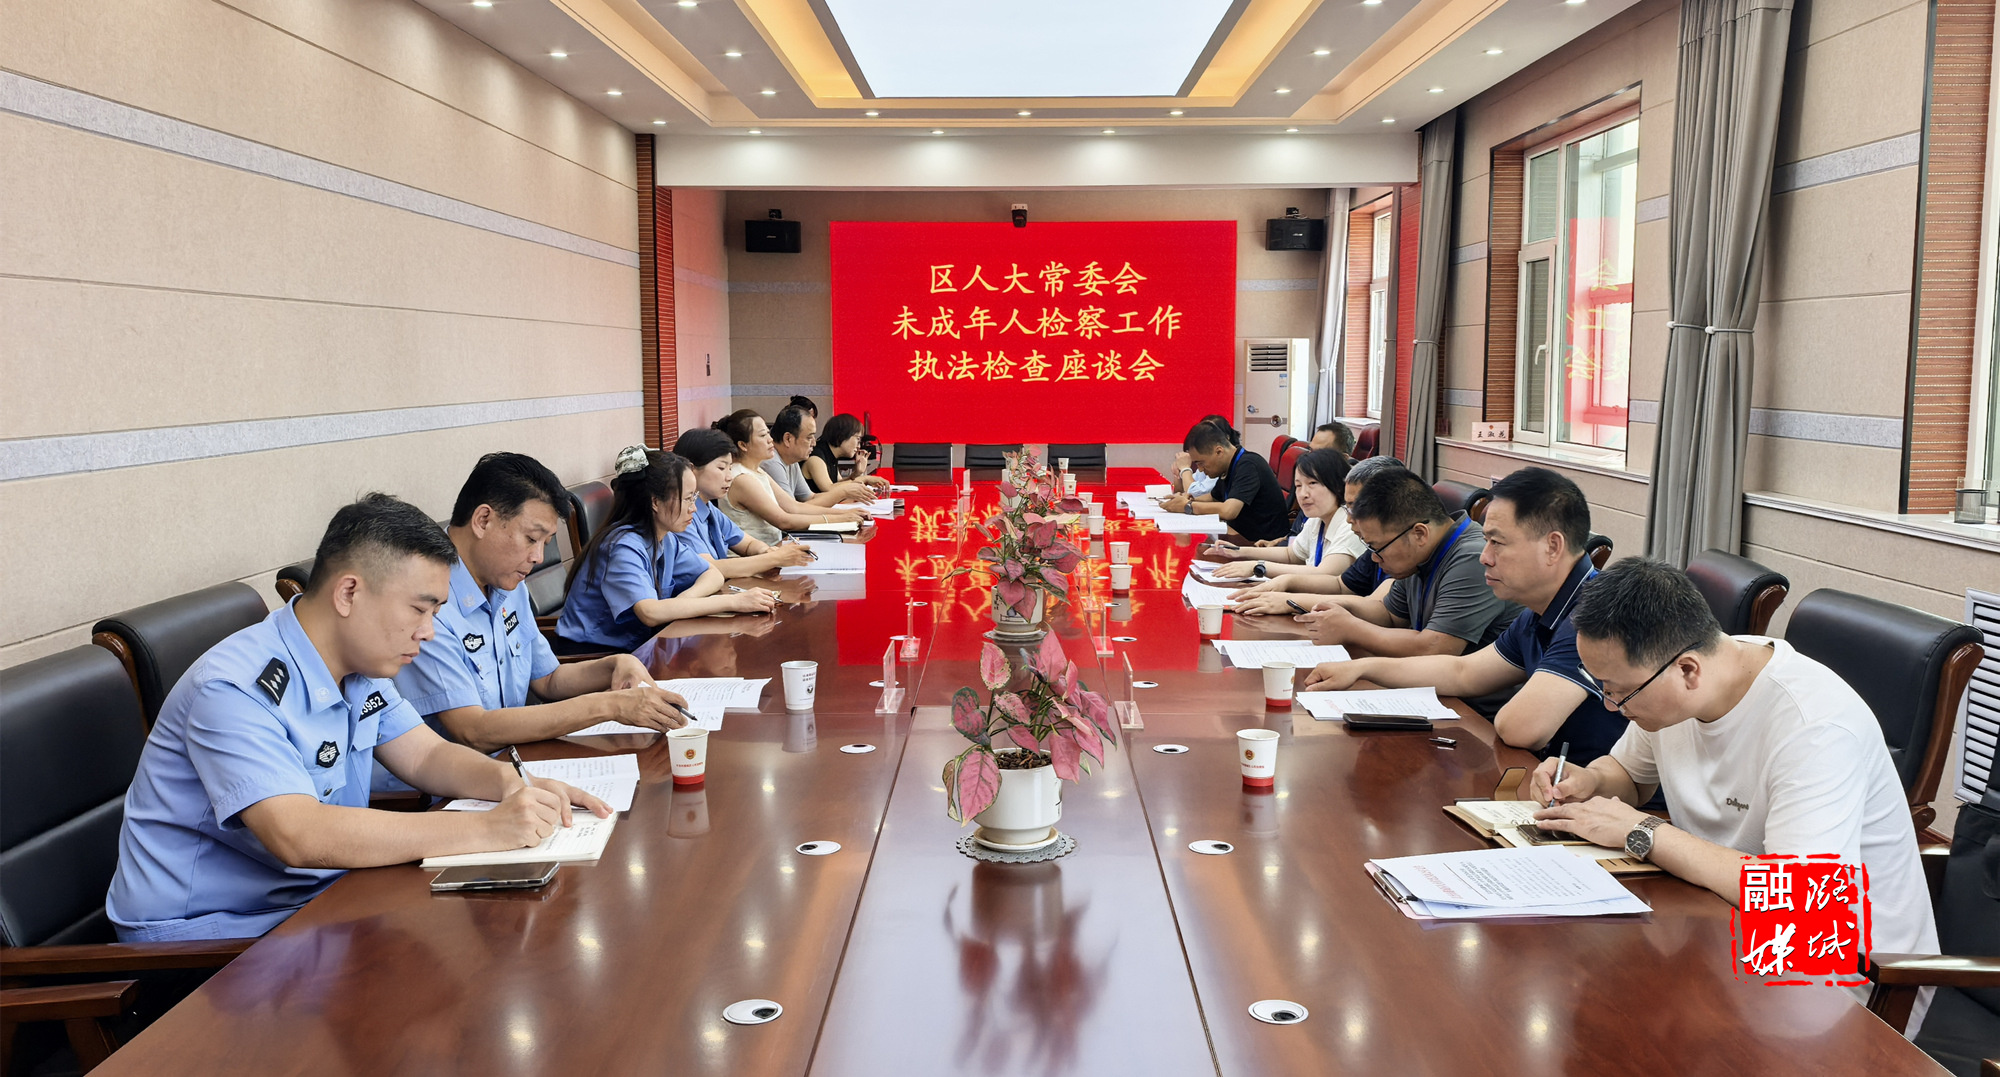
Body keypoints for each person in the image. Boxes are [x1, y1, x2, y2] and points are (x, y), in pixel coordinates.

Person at [107, 493, 610, 941]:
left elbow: (427, 755)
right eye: (419, 610)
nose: (429, 632)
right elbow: (299, 835)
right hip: (212, 938)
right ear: (349, 593)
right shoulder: (234, 688)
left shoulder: (359, 667)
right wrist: (488, 830)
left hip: (323, 901)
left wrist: (515, 785)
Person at [1528, 558, 1938, 1031]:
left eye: (1619, 692)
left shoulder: (1813, 725)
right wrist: (1592, 780)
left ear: (1687, 671)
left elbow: (1801, 900)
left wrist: (1644, 832)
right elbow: (1632, 775)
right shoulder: (1678, 679)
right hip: (1722, 923)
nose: (1610, 704)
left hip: (1842, 974)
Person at [1300, 467, 1625, 761]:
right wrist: (1361, 668)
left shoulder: (1595, 615)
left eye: (1497, 543)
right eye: (1486, 541)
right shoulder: (1538, 612)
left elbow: (1521, 729)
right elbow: (1462, 671)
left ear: (1552, 547)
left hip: (1595, 795)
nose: (1485, 557)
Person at [395, 453, 689, 752]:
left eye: (545, 544)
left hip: (520, 755)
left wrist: (617, 664)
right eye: (531, 538)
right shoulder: (427, 602)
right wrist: (609, 705)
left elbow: (548, 679)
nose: (537, 558)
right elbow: (473, 730)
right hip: (464, 775)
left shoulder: (508, 583)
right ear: (483, 520)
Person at [1276, 468, 1521, 657]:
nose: (1374, 557)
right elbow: (1389, 614)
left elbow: (1434, 648)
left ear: (1419, 534)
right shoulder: (1420, 555)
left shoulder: (1473, 557)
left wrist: (1351, 629)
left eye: (1376, 547)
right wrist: (1323, 607)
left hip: (1470, 703)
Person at [557, 446, 777, 651]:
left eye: (694, 498)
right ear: (655, 502)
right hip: (594, 653)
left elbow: (713, 574)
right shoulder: (622, 546)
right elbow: (650, 612)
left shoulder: (665, 538)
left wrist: (681, 603)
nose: (693, 508)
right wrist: (734, 601)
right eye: (688, 499)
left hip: (643, 645)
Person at [1200, 449, 1365, 583]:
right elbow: (1291, 555)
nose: (1303, 494)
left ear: (1338, 485)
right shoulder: (1317, 519)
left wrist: (1257, 566)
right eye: (1298, 486)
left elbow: (1325, 574)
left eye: (1312, 483)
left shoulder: (1350, 524)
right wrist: (1238, 551)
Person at [672, 427, 817, 577]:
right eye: (721, 468)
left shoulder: (709, 509)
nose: (729, 477)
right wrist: (775, 558)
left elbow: (747, 544)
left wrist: (767, 551)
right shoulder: (681, 515)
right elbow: (710, 568)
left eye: (730, 468)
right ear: (691, 469)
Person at [714, 410, 866, 545]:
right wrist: (840, 519)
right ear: (743, 445)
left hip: (773, 549)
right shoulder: (742, 478)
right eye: (762, 435)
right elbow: (784, 520)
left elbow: (794, 507)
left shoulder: (757, 470)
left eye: (768, 433)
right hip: (755, 558)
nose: (770, 439)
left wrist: (846, 514)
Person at [1161, 419, 1290, 543]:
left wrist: (1187, 506)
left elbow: (1229, 511)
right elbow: (1213, 497)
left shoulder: (1248, 465)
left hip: (1263, 545)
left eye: (1201, 463)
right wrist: (1187, 498)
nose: (1200, 469)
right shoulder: (1229, 465)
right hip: (1239, 537)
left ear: (1219, 452)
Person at [764, 405, 874, 507]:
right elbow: (792, 509)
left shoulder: (791, 460)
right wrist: (846, 492)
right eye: (809, 437)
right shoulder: (772, 462)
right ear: (788, 439)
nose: (814, 443)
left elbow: (810, 497)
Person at [806, 412, 889, 495]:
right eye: (858, 439)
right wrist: (864, 479)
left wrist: (856, 474)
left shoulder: (830, 454)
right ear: (842, 435)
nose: (859, 446)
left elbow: (838, 484)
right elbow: (829, 489)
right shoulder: (816, 457)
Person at [1169, 414, 1237, 497]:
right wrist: (1178, 472)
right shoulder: (1206, 462)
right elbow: (1182, 491)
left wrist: (1185, 468)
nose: (1200, 469)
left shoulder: (1228, 463)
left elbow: (1195, 493)